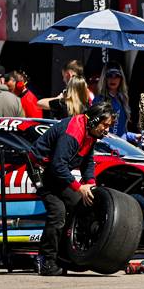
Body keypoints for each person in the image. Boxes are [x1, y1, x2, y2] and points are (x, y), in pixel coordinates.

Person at [29, 102, 116, 276]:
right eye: (105, 125)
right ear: (95, 120)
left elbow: (87, 161)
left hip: (55, 171)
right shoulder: (73, 132)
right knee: (58, 213)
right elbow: (57, 166)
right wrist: (78, 187)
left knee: (80, 205)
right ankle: (46, 261)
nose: (107, 130)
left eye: (109, 126)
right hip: (41, 170)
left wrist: (90, 182)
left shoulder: (90, 132)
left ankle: (65, 256)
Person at [95, 64, 130, 137]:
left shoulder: (123, 99)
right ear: (105, 78)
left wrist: (132, 136)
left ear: (121, 78)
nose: (113, 79)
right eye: (109, 75)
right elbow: (90, 125)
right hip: (105, 145)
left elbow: (121, 132)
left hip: (121, 145)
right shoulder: (99, 100)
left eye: (117, 75)